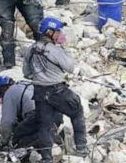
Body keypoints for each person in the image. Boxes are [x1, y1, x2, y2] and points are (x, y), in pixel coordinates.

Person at [23, 17, 87, 162]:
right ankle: (82, 148)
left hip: (39, 92)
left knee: (44, 125)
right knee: (77, 112)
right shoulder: (55, 50)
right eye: (58, 31)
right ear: (49, 32)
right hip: (57, 91)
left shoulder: (30, 49)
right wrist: (64, 50)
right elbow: (70, 67)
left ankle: (47, 158)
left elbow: (27, 73)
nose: (60, 34)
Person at [0, 75, 40, 148]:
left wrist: (4, 141)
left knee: (17, 138)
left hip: (37, 115)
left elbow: (7, 122)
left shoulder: (9, 93)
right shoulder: (24, 84)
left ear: (3, 89)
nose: (2, 99)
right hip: (55, 114)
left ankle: (39, 141)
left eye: (1, 96)